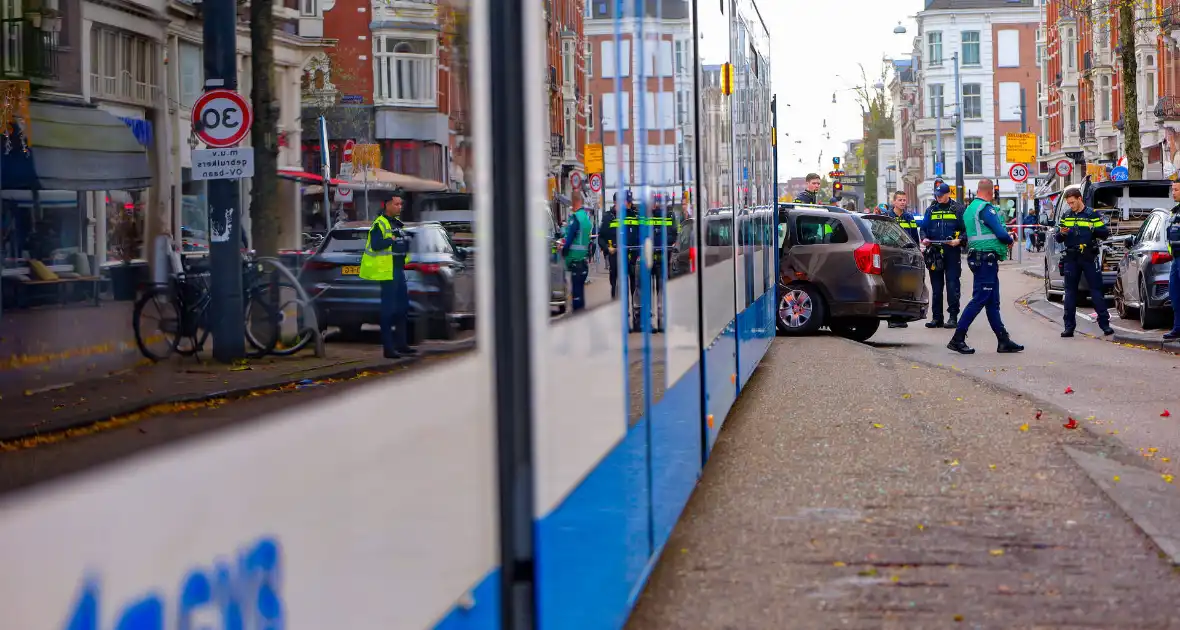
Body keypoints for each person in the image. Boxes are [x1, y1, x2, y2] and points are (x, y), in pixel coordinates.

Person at [947, 179, 1024, 355]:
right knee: (980, 299)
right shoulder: (986, 208)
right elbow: (1001, 233)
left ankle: (1003, 340)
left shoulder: (970, 209)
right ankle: (957, 338)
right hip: (986, 260)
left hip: (978, 257)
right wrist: (1010, 239)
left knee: (992, 302)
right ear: (991, 192)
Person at [359, 189, 418, 359]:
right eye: (397, 204)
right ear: (387, 205)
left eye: (401, 204)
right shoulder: (380, 223)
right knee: (388, 310)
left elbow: (401, 244)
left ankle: (402, 344)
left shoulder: (397, 223)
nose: (400, 207)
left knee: (402, 308)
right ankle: (388, 348)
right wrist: (391, 239)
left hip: (398, 270)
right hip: (387, 271)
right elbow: (376, 244)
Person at [1056, 187, 1115, 338]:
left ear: (1080, 199)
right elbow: (1058, 238)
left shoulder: (1092, 214)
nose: (1071, 206)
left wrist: (1093, 229)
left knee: (1096, 291)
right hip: (1071, 257)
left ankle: (1105, 325)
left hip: (1088, 256)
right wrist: (1061, 233)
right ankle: (1068, 327)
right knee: (1070, 293)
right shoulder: (1066, 215)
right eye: (1069, 203)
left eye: (1073, 203)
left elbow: (1104, 234)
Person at [921, 182, 966, 328]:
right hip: (935, 251)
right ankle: (937, 318)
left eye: (941, 195)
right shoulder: (931, 209)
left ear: (948, 194)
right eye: (937, 195)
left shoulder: (958, 209)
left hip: (951, 251)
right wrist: (924, 238)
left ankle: (953, 317)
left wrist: (959, 241)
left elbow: (967, 230)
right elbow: (923, 228)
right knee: (936, 286)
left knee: (952, 285)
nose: (939, 197)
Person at [562, 188, 593, 312]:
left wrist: (563, 250)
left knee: (576, 299)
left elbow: (569, 240)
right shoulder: (585, 218)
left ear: (574, 202)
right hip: (583, 263)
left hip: (575, 263)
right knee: (581, 297)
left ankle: (578, 325)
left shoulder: (575, 218)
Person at [598, 192, 626, 299]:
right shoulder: (607, 217)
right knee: (614, 278)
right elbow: (600, 237)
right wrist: (607, 248)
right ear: (614, 202)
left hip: (625, 253)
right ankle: (614, 297)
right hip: (613, 253)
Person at [1165, 181, 1180, 341]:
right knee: (1175, 295)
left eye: (1176, 190)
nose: (1173, 192)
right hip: (1176, 258)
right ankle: (1177, 328)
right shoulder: (1174, 211)